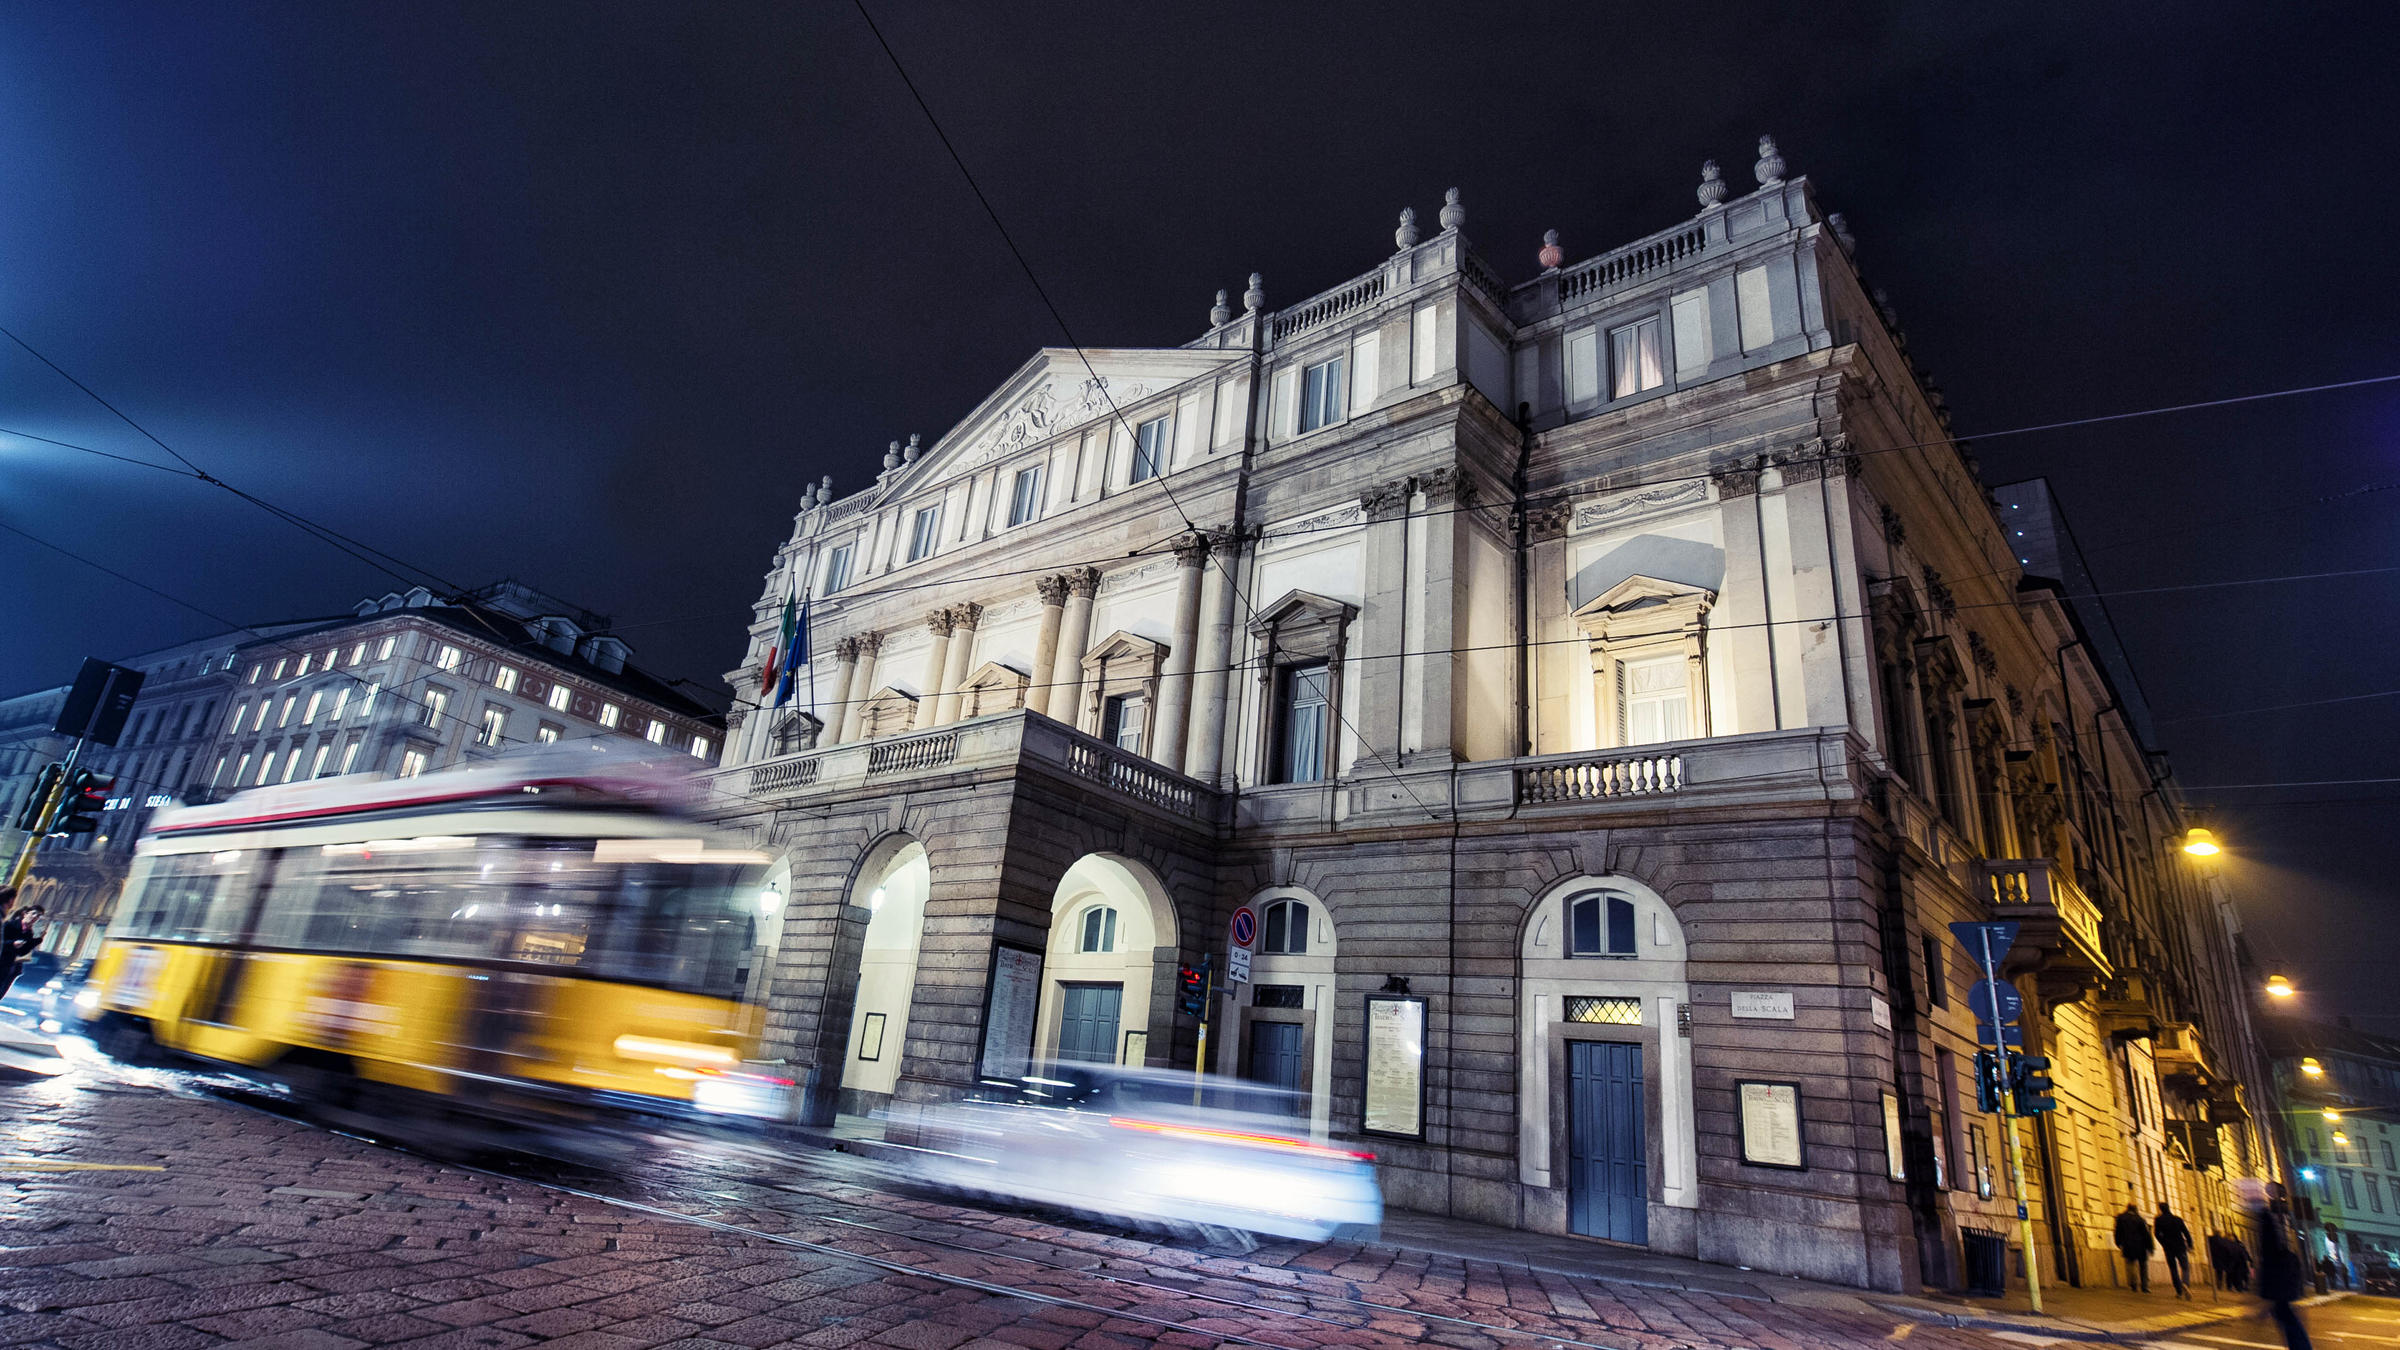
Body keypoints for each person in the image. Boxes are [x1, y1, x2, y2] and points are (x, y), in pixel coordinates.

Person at [2259, 1188, 2314, 1350]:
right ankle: (2300, 1346)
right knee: (2285, 1314)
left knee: (2285, 1314)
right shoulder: (2276, 1218)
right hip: (2282, 1277)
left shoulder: (2268, 1220)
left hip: (2279, 1277)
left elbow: (2270, 1251)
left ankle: (2301, 1347)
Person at [0, 892, 39, 1001]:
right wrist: (12, 944)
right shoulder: (10, 925)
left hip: (10, 967)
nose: (35, 917)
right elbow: (2, 942)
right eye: (34, 913)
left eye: (38, 916)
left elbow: (22, 952)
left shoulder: (29, 933)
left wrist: (37, 940)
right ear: (25, 913)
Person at [2156, 1203, 2195, 1298]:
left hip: (2169, 1248)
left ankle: (2179, 1291)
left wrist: (2163, 1243)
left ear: (2160, 1209)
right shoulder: (2177, 1219)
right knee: (2185, 1267)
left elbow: (2157, 1234)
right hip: (2180, 1247)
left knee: (2173, 1269)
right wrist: (2190, 1245)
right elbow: (2186, 1233)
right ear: (2169, 1208)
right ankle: (2185, 1283)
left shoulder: (2159, 1220)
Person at [2117, 1202, 2156, 1292]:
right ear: (2135, 1209)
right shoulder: (2140, 1219)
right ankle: (2144, 1286)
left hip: (2127, 1245)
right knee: (2143, 1266)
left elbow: (2118, 1231)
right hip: (2141, 1246)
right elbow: (2146, 1234)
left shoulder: (2121, 1218)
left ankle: (2133, 1284)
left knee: (2130, 1264)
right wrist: (2150, 1247)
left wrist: (2118, 1242)